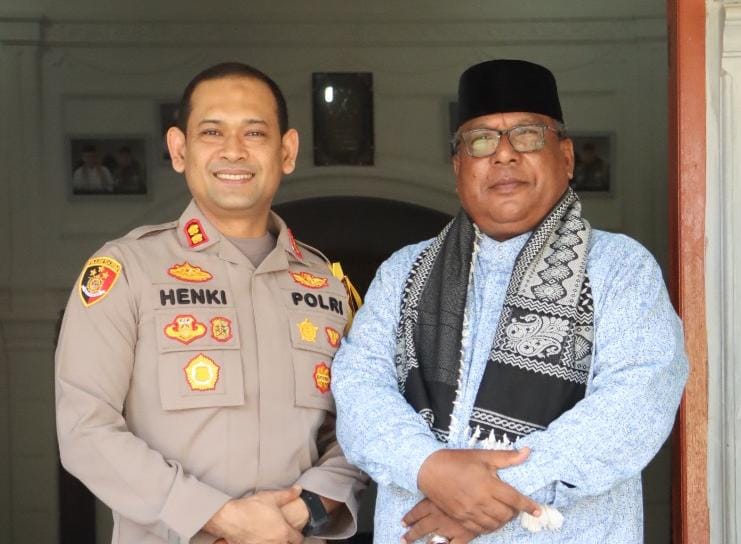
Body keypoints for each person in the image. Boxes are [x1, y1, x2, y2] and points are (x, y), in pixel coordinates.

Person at [332, 59, 689, 543]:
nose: (503, 155)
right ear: (458, 167)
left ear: (566, 157)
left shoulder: (620, 267)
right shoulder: (404, 271)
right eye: (481, 141)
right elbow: (359, 386)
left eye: (527, 136)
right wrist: (429, 467)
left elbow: (636, 402)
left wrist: (492, 492)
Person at [56, 62, 367, 544]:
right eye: (212, 132)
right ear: (180, 149)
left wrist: (303, 510)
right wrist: (220, 517)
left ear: (287, 151)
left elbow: (358, 429)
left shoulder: (326, 285)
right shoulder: (126, 270)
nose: (234, 150)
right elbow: (85, 429)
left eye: (255, 132)